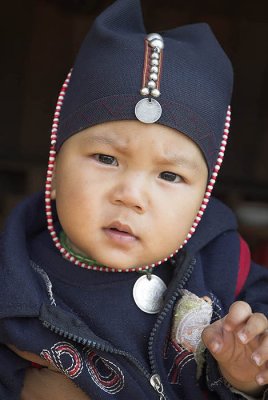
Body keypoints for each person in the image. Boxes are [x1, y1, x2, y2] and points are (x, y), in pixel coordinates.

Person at [1, 0, 268, 399]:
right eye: (106, 159)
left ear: (202, 198)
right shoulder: (14, 290)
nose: (131, 195)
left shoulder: (230, 274)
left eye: (170, 175)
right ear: (54, 169)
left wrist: (244, 378)